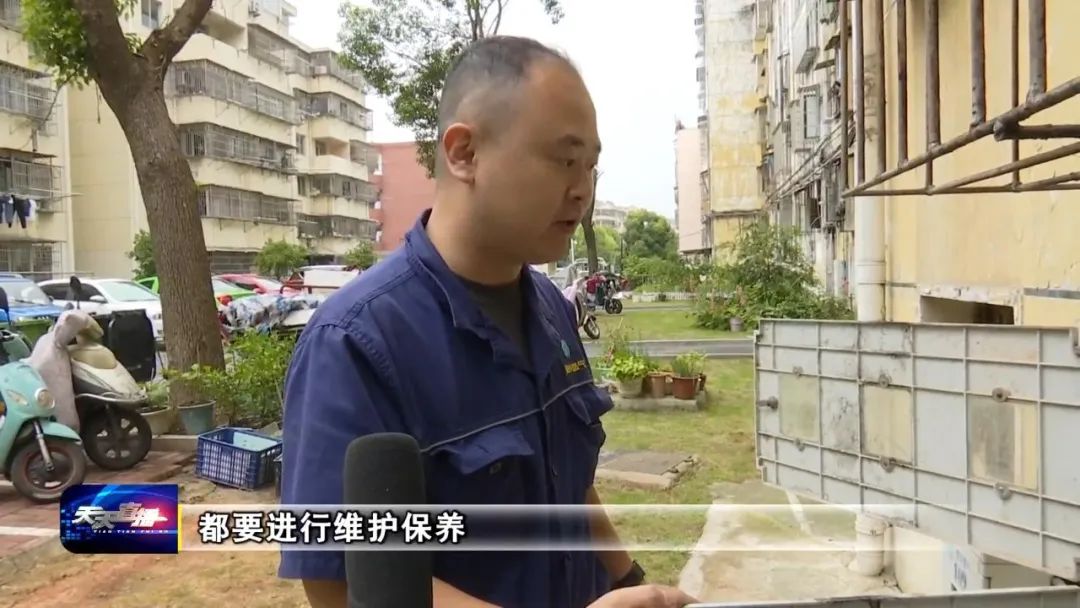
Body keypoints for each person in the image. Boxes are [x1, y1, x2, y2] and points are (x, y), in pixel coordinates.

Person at [277, 35, 699, 608]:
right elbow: (340, 582)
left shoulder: (551, 308)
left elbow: (568, 486)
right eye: (564, 160)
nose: (582, 190)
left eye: (591, 166)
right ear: (464, 154)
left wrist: (629, 579)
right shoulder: (355, 341)